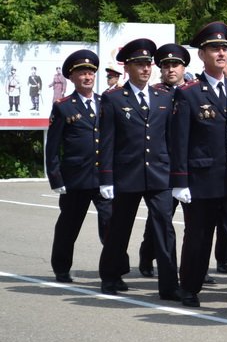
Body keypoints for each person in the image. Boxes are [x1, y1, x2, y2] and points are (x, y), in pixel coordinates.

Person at [170, 21, 227, 315]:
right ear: (202, 55)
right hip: (203, 178)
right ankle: (190, 286)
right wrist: (180, 181)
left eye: (225, 49)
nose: (221, 53)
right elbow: (179, 140)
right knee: (198, 237)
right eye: (214, 48)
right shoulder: (189, 93)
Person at [97, 39, 180, 301]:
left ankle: (169, 284)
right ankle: (111, 276)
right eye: (139, 64)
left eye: (148, 64)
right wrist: (106, 178)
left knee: (164, 228)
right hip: (127, 174)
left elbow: (171, 139)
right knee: (119, 227)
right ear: (127, 68)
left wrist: (177, 175)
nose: (146, 69)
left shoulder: (164, 96)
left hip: (159, 173)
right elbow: (107, 141)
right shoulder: (113, 98)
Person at [46, 50, 112, 282]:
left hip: (103, 177)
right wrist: (56, 178)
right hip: (75, 178)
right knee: (69, 226)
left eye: (91, 72)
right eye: (82, 73)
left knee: (112, 225)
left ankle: (113, 272)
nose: (87, 77)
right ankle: (61, 268)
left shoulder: (105, 103)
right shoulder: (64, 106)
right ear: (72, 78)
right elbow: (52, 146)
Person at [137, 43, 190, 279]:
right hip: (165, 167)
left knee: (196, 222)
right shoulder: (156, 93)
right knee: (161, 217)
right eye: (166, 65)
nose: (170, 69)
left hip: (192, 166)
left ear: (183, 67)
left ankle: (192, 265)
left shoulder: (194, 91)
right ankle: (148, 255)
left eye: (175, 65)